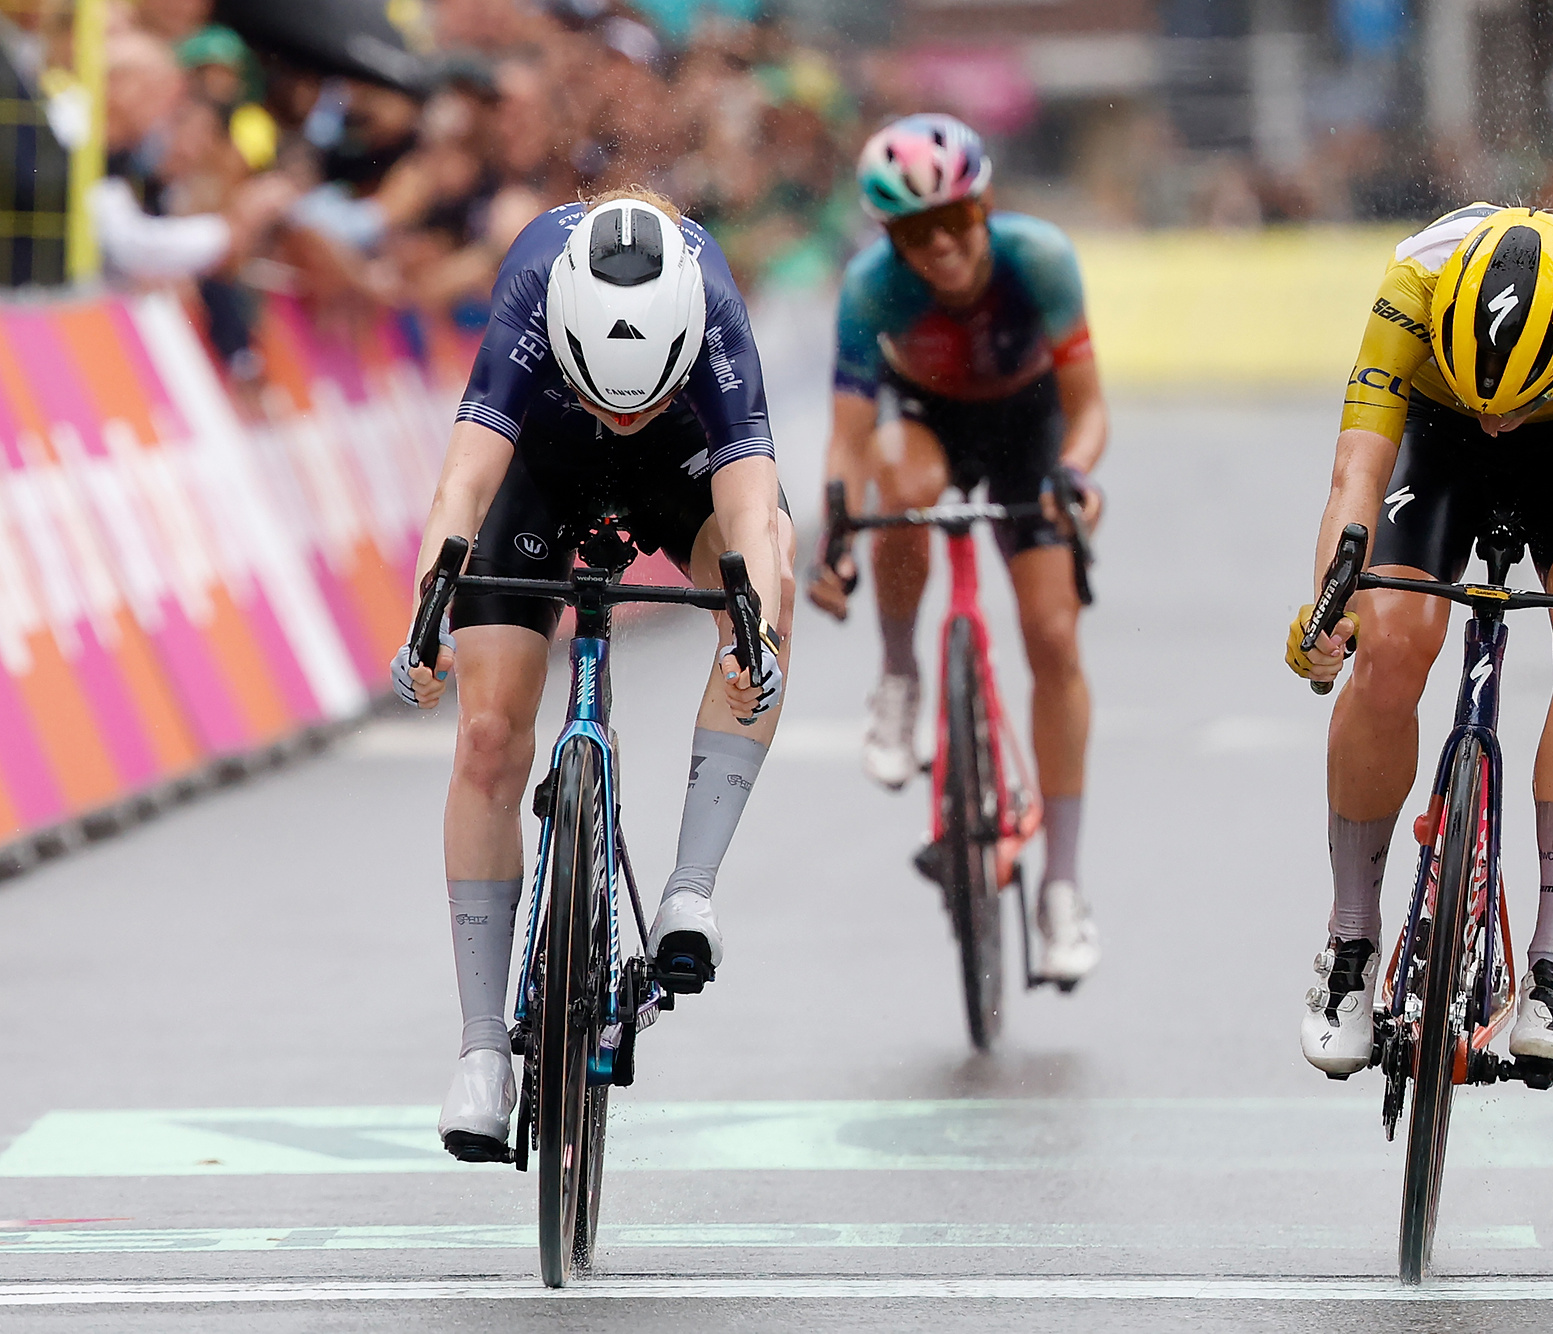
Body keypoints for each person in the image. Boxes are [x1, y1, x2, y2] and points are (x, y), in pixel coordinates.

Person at [393, 189, 792, 1161]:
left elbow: (748, 509)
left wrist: (757, 637)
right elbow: (464, 484)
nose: (624, 414)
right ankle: (481, 1050)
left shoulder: (711, 302)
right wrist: (425, 620)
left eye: (643, 395)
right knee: (489, 734)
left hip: (676, 468)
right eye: (610, 394)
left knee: (767, 572)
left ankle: (689, 891)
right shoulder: (534, 283)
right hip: (542, 464)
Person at [1287, 204, 1553, 1075]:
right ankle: (1350, 944)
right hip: (1437, 428)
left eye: (1516, 403)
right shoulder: (1412, 286)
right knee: (1388, 644)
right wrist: (1328, 619)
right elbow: (1355, 476)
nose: (1500, 422)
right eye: (1489, 403)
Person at [807, 114, 1108, 983]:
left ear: (985, 206)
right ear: (888, 238)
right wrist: (837, 540)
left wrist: (1074, 474)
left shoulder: (1040, 258)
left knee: (1053, 638)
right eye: (914, 234)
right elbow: (847, 442)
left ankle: (1061, 888)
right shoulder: (869, 288)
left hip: (1028, 424)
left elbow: (1089, 409)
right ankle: (900, 673)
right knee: (901, 490)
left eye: (953, 221)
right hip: (925, 418)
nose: (939, 248)